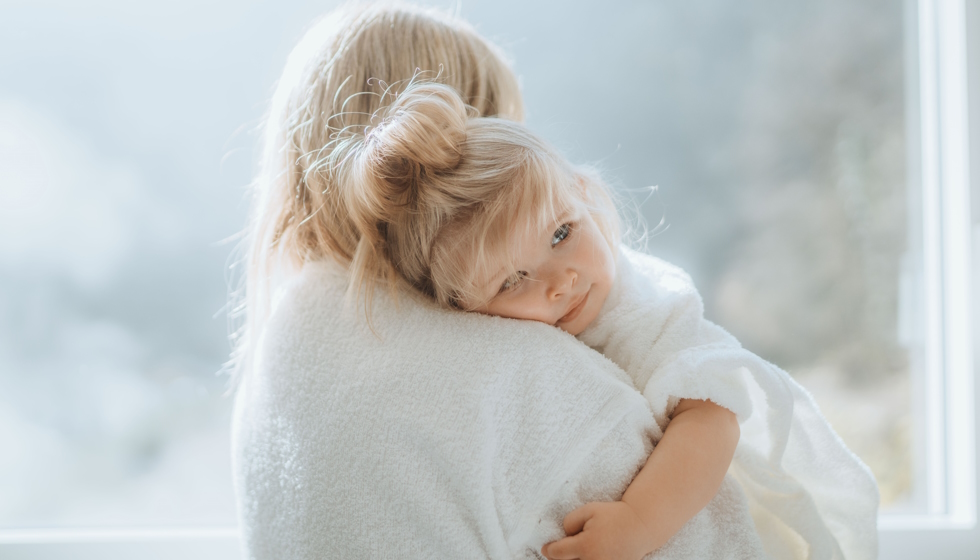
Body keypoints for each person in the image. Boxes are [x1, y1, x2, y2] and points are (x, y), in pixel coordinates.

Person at [232, 3, 878, 559]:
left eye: (560, 231)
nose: (558, 283)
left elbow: (712, 415)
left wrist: (638, 521)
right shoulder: (495, 370)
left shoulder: (296, 344)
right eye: (509, 275)